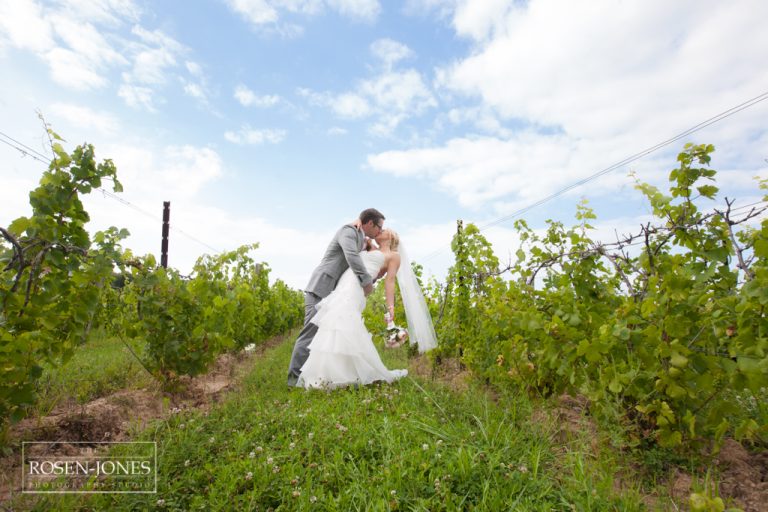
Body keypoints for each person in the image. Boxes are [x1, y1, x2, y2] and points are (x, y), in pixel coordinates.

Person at [297, 228, 438, 390]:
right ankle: (327, 375)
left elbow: (389, 281)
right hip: (344, 283)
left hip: (356, 289)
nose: (380, 230)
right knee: (333, 324)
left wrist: (390, 307)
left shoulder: (394, 256)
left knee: (343, 321)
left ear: (391, 236)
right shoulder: (370, 246)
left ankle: (349, 374)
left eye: (384, 230)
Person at [286, 208, 385, 387]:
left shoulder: (361, 236)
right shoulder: (348, 231)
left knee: (323, 334)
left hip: (334, 292)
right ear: (370, 223)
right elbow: (351, 256)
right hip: (321, 286)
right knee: (310, 331)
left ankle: (310, 378)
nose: (380, 232)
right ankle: (293, 380)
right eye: (379, 227)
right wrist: (365, 281)